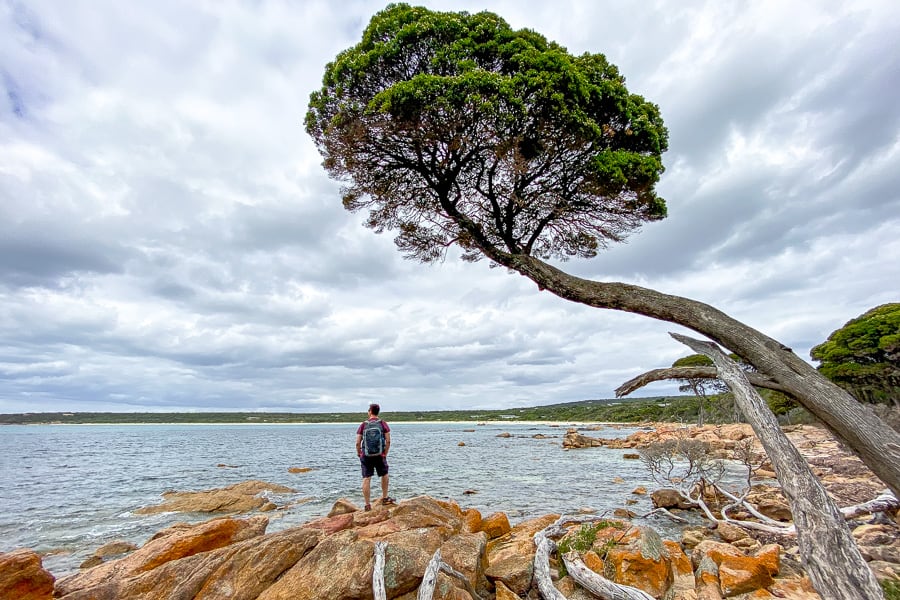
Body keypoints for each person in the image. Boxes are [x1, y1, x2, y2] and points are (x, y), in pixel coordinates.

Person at [356, 403, 394, 510]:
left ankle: (367, 505)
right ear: (378, 412)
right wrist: (385, 453)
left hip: (366, 455)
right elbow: (388, 441)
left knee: (366, 478)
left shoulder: (363, 425)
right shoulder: (383, 424)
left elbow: (358, 442)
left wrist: (359, 453)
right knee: (384, 474)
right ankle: (385, 498)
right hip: (380, 454)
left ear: (370, 411)